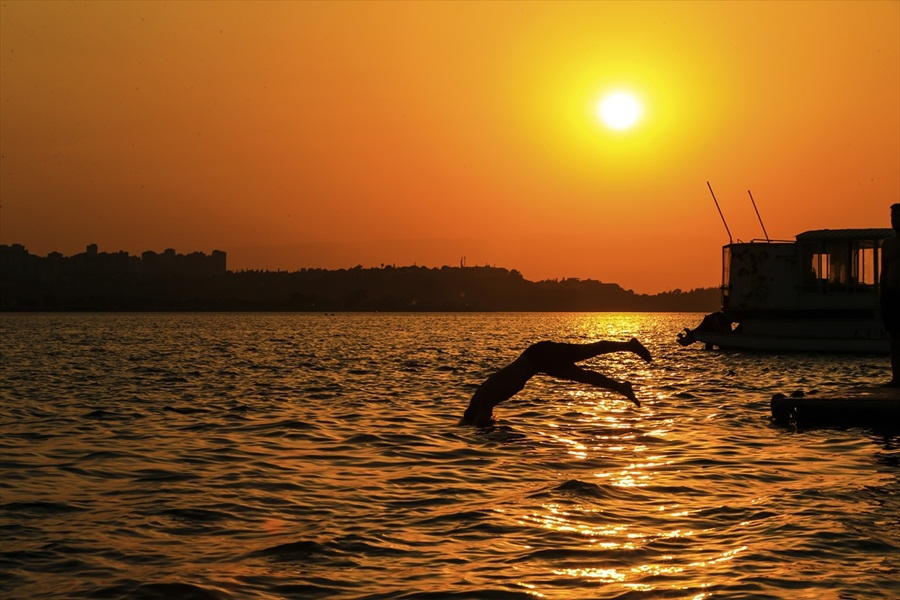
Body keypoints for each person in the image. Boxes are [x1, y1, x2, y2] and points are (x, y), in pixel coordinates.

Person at [459, 338, 653, 426]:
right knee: (585, 376)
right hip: (539, 362)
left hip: (540, 356)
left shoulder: (484, 401)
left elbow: (480, 423)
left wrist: (472, 432)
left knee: (588, 351)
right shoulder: (482, 397)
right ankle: (621, 387)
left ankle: (629, 345)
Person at [881, 203, 900, 387]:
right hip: (892, 294)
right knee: (894, 337)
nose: (894, 221)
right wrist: (882, 295)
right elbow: (884, 271)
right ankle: (897, 377)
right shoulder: (888, 243)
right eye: (892, 217)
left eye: (898, 217)